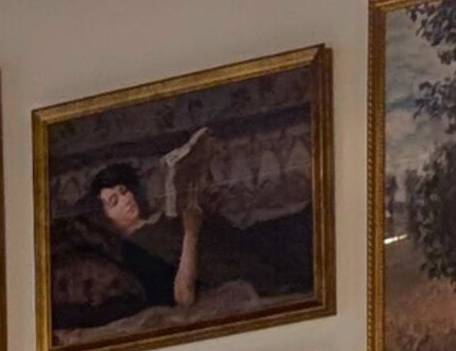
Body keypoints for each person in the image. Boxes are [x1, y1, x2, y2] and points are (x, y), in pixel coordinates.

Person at [72, 127, 318, 325]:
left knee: (306, 221)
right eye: (114, 202)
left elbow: (215, 234)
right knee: (302, 240)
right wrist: (191, 231)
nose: (126, 200)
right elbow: (183, 296)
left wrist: (205, 209)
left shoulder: (159, 217)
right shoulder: (136, 249)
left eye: (123, 191)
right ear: (106, 219)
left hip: (241, 242)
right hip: (235, 267)